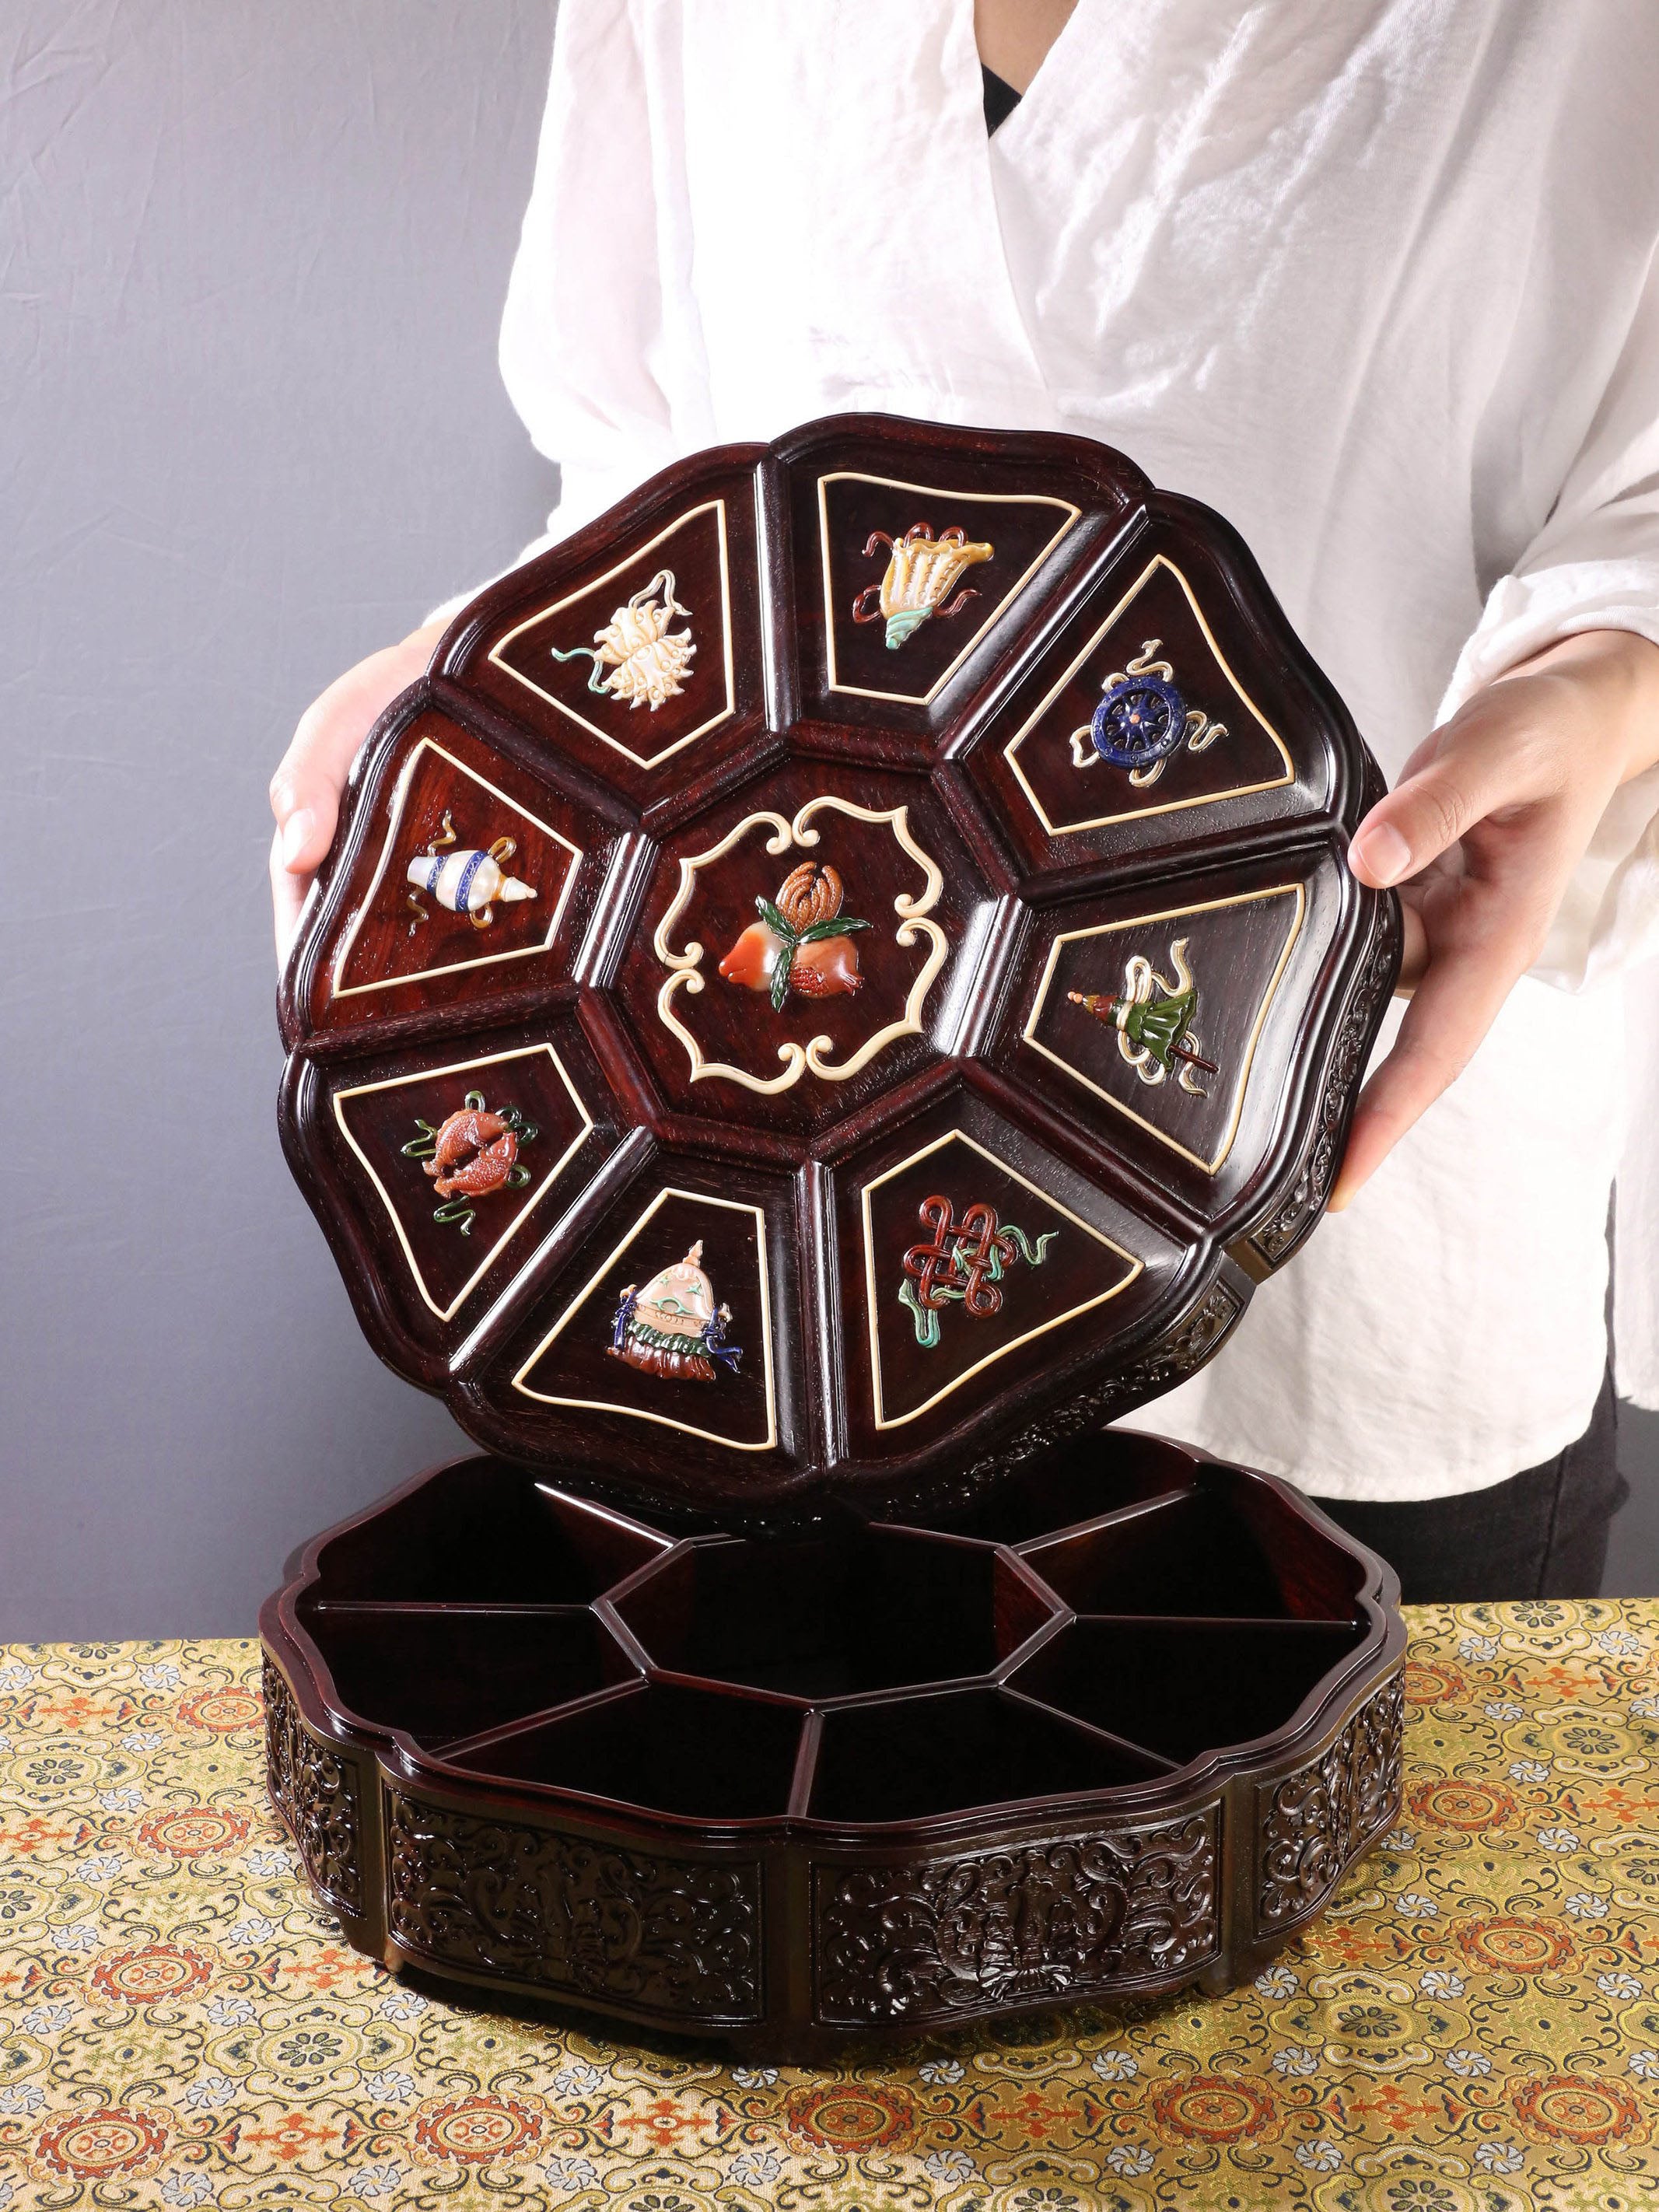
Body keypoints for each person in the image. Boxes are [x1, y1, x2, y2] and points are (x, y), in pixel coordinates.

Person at [268, 2, 1659, 1603]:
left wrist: (1604, 680)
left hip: (1367, 1188)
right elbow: (656, 465)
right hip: (737, 1305)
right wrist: (471, 690)